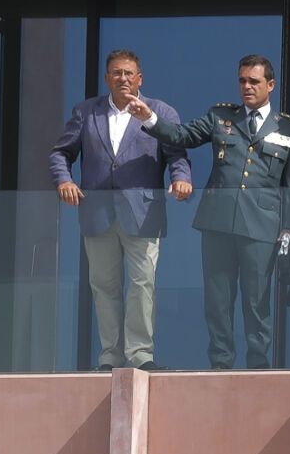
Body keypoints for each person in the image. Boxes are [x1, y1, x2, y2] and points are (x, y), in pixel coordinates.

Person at [135, 55, 290, 370]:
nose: (247, 87)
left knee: (257, 303)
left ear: (271, 84)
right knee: (218, 301)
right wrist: (151, 119)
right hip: (218, 222)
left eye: (254, 81)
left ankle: (258, 366)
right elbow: (182, 136)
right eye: (242, 80)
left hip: (262, 226)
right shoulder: (221, 116)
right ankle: (221, 364)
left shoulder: (289, 128)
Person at [48, 50, 190, 371]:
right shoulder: (86, 111)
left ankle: (140, 356)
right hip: (97, 214)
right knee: (104, 286)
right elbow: (61, 153)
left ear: (140, 78)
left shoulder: (159, 111)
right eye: (116, 73)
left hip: (142, 214)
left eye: (128, 73)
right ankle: (110, 357)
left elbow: (177, 153)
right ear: (107, 78)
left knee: (142, 284)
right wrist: (64, 181)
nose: (122, 78)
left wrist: (181, 179)